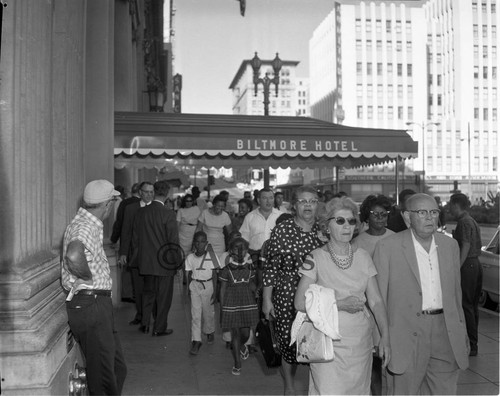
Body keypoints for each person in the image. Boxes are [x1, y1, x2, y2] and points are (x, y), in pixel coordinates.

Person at [373, 193, 469, 394]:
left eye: (434, 212)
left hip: (445, 331)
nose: (429, 217)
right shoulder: (387, 247)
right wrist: (380, 337)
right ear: (407, 217)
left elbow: (456, 294)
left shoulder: (449, 246)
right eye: (422, 212)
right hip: (405, 334)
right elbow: (377, 298)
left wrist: (462, 329)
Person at [294, 196, 391, 395]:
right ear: (326, 226)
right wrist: (339, 304)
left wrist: (385, 336)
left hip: (360, 344)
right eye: (340, 221)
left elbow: (376, 301)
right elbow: (300, 302)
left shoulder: (363, 256)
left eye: (351, 221)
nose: (347, 226)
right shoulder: (315, 257)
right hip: (327, 345)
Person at [61, 179, 127, 395]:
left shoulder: (86, 222)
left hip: (96, 304)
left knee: (116, 368)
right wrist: (86, 276)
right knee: (104, 378)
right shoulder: (85, 226)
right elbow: (73, 253)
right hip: (92, 303)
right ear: (107, 205)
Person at [262, 185, 324, 394]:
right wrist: (267, 299)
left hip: (319, 295)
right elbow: (271, 267)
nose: (308, 205)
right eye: (303, 201)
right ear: (294, 206)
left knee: (318, 342)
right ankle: (289, 386)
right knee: (290, 345)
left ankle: (318, 387)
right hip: (287, 294)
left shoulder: (325, 230)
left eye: (312, 201)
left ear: (318, 205)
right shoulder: (283, 230)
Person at [350, 194, 395, 395]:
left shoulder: (396, 238)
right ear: (367, 216)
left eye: (383, 214)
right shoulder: (357, 243)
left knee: (395, 358)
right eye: (375, 214)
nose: (379, 218)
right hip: (370, 306)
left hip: (394, 305)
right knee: (374, 360)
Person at [132, 180, 180, 336]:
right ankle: (159, 328)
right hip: (164, 263)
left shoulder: (141, 212)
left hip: (146, 261)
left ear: (154, 192)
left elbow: (135, 239)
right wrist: (177, 263)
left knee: (148, 293)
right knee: (164, 297)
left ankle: (145, 323)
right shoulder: (168, 214)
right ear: (167, 193)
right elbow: (172, 241)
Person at [219, 236, 259, 376]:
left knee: (245, 333)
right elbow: (223, 289)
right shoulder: (226, 270)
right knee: (235, 333)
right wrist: (223, 308)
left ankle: (242, 345)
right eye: (236, 248)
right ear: (230, 251)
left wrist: (258, 290)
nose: (240, 251)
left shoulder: (250, 268)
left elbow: (252, 284)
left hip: (247, 301)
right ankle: (237, 363)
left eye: (243, 248)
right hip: (232, 303)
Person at [449, 192, 483, 356]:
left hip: (468, 265)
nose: (449, 210)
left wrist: (457, 266)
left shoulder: (463, 222)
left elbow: (466, 246)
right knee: (473, 305)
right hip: (476, 264)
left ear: (456, 205)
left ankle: (471, 344)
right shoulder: (472, 220)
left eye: (450, 206)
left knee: (466, 305)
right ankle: (474, 342)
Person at [119, 181, 154, 326]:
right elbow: (125, 232)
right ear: (140, 192)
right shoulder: (131, 209)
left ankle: (149, 316)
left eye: (151, 192)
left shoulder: (157, 208)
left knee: (151, 288)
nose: (149, 195)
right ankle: (140, 315)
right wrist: (123, 253)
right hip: (136, 255)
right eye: (146, 192)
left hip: (153, 256)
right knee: (138, 288)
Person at [185, 231, 218, 355]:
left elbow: (215, 275)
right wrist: (189, 289)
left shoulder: (212, 256)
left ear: (206, 243)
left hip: (208, 286)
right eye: (197, 242)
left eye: (202, 242)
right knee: (195, 314)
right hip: (195, 285)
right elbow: (188, 274)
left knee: (208, 312)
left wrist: (215, 292)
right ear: (194, 243)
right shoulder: (190, 258)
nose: (199, 244)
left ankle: (209, 331)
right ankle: (196, 340)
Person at [177, 194, 202, 282]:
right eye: (187, 201)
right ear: (184, 201)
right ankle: (184, 276)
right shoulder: (181, 210)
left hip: (194, 232)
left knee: (193, 256)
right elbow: (177, 224)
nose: (188, 203)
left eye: (190, 201)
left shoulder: (196, 209)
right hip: (183, 233)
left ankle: (192, 275)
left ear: (193, 201)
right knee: (183, 256)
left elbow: (200, 222)